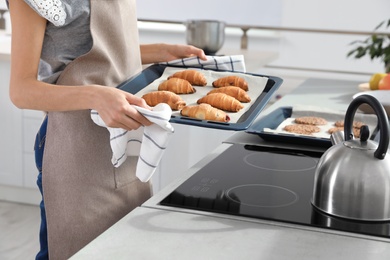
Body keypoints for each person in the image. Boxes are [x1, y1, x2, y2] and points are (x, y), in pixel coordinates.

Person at [6, 0, 207, 259]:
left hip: (127, 139)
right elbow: (21, 91)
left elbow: (93, 49)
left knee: (122, 245)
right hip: (73, 144)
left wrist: (160, 51)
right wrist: (96, 97)